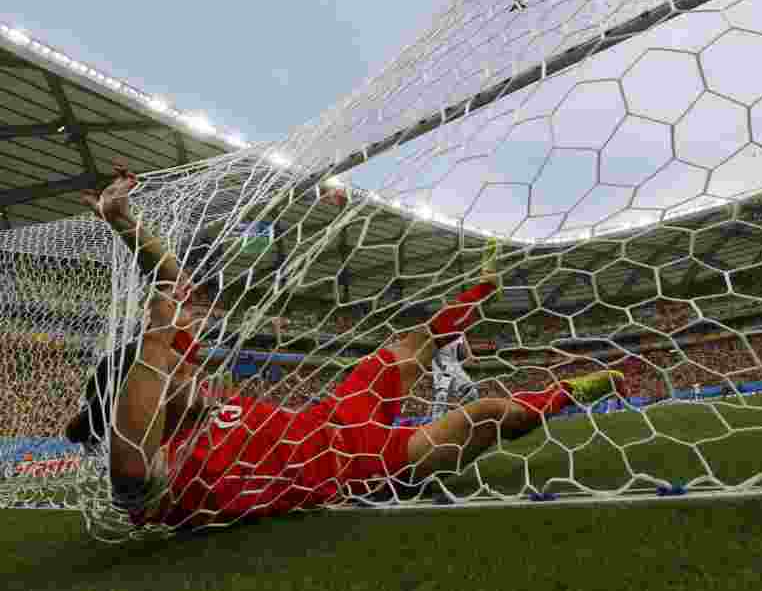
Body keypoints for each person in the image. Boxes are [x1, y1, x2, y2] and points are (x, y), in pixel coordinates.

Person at [68, 169, 628, 528]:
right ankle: (561, 395)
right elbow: (131, 470)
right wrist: (156, 337)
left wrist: (123, 223)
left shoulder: (190, 406)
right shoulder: (162, 475)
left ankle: (483, 286)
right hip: (357, 466)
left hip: (333, 417)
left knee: (410, 346)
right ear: (141, 400)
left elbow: (175, 281)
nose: (191, 371)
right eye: (173, 371)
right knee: (490, 414)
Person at [430, 335, 479, 422]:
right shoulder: (439, 331)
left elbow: (463, 340)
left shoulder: (457, 331)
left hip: (455, 363)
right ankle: (436, 421)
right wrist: (439, 363)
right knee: (442, 395)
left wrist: (470, 355)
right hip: (441, 363)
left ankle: (462, 417)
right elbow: (432, 347)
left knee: (472, 392)